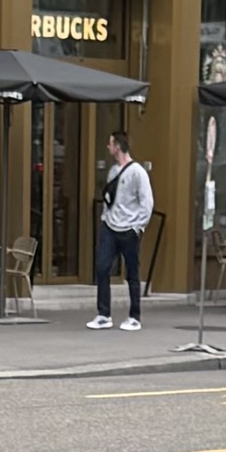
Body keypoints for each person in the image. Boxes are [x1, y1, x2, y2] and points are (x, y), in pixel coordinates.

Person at [89, 131, 152, 331]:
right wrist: (105, 218)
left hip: (129, 229)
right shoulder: (113, 171)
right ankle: (103, 314)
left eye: (110, 143)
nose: (108, 147)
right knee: (102, 268)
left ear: (117, 146)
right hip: (110, 226)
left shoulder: (137, 172)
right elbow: (109, 198)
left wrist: (138, 227)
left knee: (132, 273)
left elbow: (147, 202)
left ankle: (134, 316)